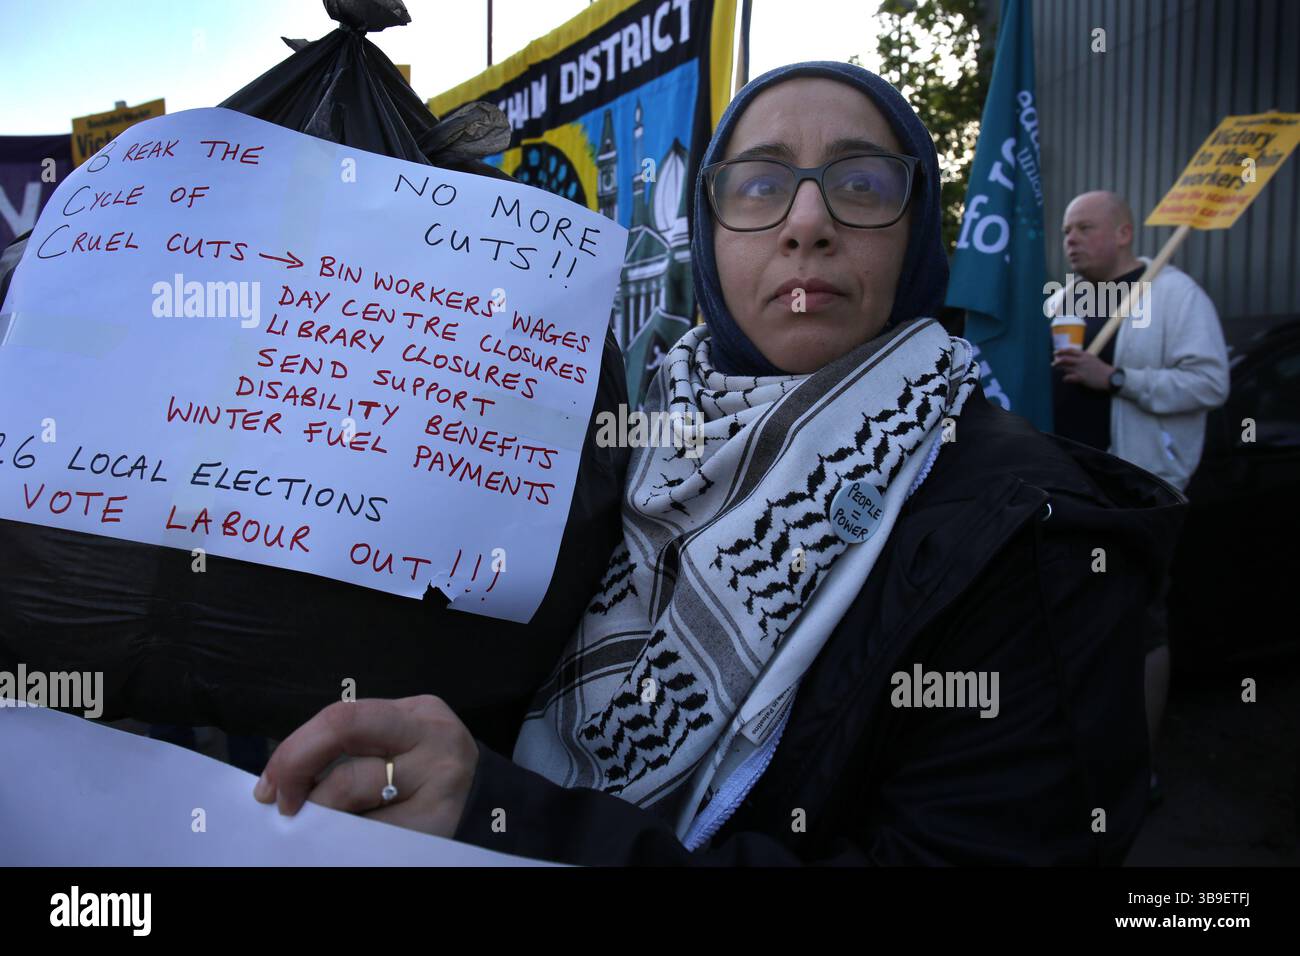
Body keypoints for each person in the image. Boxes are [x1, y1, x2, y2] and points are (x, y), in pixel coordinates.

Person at [253, 62, 1185, 865]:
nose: (808, 223)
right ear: (708, 230)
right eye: (758, 184)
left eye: (862, 184)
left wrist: (509, 823)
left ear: (918, 233)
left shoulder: (1035, 534)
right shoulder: (622, 448)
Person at [1050, 190, 1229, 804]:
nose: (1070, 239)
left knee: (1141, 625)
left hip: (1139, 494)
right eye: (1068, 229)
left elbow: (1210, 381)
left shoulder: (1173, 294)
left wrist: (1118, 378)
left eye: (1085, 228)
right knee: (1077, 621)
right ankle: (1077, 752)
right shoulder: (1066, 299)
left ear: (1124, 233)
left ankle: (1139, 767)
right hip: (1070, 488)